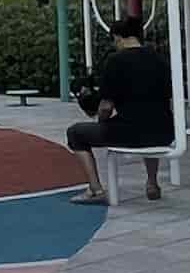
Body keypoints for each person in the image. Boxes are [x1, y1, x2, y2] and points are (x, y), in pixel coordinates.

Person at [68, 15, 173, 204]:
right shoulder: (160, 60)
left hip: (130, 133)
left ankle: (95, 189)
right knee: (149, 122)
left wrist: (101, 121)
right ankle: (152, 182)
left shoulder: (116, 61)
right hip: (164, 131)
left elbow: (106, 107)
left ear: (117, 37)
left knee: (75, 133)